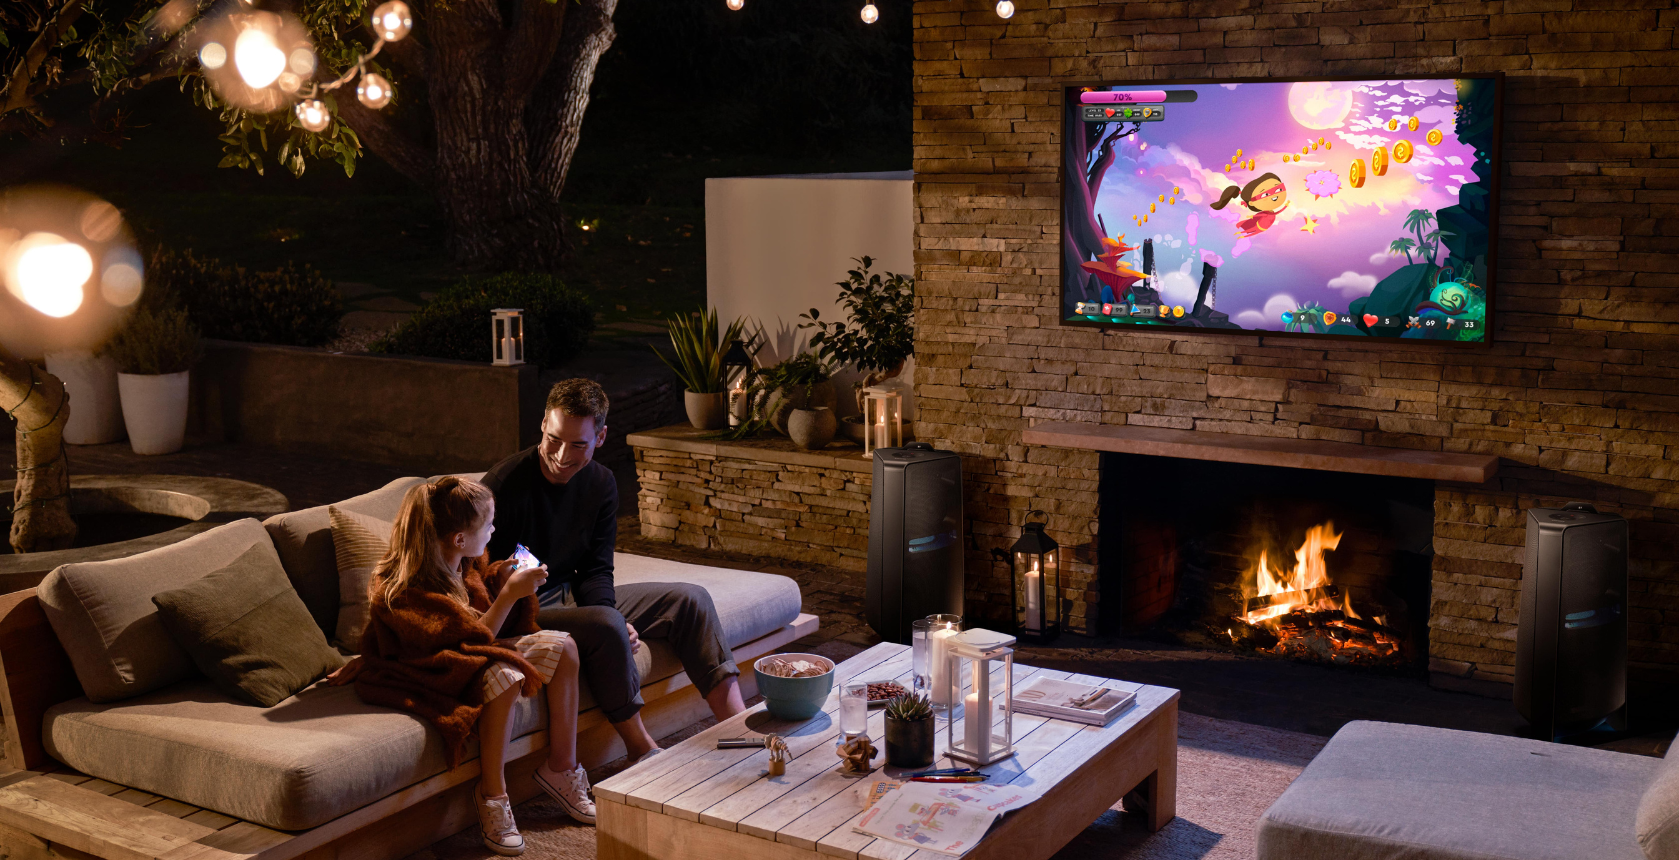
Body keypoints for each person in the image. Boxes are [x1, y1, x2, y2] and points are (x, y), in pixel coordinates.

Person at [481, 379, 745, 766]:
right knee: (606, 623)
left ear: (601, 436)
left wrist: (614, 614)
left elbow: (595, 568)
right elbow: (483, 579)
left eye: (578, 444)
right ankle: (643, 751)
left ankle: (739, 729)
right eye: (554, 439)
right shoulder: (504, 487)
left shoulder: (601, 485)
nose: (560, 455)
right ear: (543, 423)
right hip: (518, 611)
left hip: (570, 595)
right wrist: (610, 621)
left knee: (691, 600)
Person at [327, 477, 595, 856]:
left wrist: (500, 578)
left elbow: (476, 616)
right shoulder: (401, 589)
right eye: (488, 525)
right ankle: (492, 796)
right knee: (506, 676)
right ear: (458, 538)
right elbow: (464, 643)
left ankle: (561, 768)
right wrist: (509, 594)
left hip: (471, 653)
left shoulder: (464, 563)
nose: (493, 530)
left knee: (565, 647)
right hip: (432, 669)